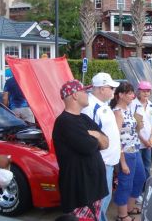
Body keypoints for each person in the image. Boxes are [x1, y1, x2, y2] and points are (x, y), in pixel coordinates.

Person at [53, 80, 109, 220]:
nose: (88, 94)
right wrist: (97, 137)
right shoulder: (64, 121)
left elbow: (106, 142)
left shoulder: (84, 118)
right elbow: (89, 147)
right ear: (75, 96)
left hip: (93, 188)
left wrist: (95, 135)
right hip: (80, 191)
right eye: (84, 91)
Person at [81, 72, 121, 221]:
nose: (113, 90)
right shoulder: (91, 107)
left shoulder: (101, 104)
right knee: (100, 201)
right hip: (102, 162)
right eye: (111, 87)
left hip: (107, 161)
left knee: (104, 199)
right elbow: (88, 136)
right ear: (101, 89)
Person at [110, 82, 146, 221]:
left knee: (140, 178)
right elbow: (116, 137)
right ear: (120, 95)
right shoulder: (117, 113)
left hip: (135, 149)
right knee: (126, 183)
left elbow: (132, 132)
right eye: (129, 93)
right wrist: (122, 161)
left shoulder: (129, 109)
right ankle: (122, 214)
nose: (133, 95)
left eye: (132, 92)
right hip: (126, 153)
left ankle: (129, 208)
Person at [130, 81, 152, 186]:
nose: (146, 93)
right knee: (138, 169)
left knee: (147, 166)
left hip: (148, 142)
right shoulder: (133, 104)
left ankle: (146, 189)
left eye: (148, 91)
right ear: (138, 92)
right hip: (137, 142)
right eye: (144, 91)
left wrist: (150, 140)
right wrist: (144, 141)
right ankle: (138, 191)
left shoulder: (150, 104)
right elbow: (133, 127)